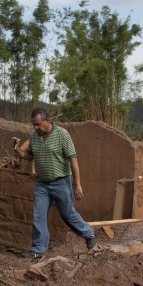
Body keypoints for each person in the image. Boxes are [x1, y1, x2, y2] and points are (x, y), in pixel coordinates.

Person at [12, 108, 97, 259]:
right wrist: (18, 151)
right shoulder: (34, 136)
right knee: (38, 214)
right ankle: (38, 249)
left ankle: (88, 233)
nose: (35, 127)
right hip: (42, 184)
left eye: (38, 124)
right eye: (33, 125)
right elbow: (29, 156)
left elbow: (73, 160)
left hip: (62, 182)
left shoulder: (62, 134)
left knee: (67, 213)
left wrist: (77, 184)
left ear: (47, 120)